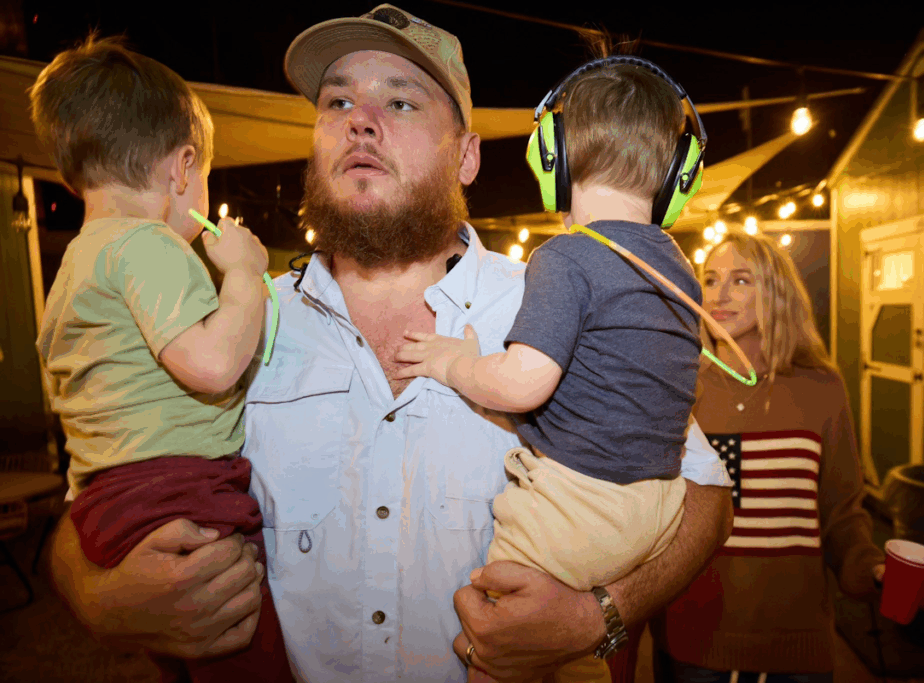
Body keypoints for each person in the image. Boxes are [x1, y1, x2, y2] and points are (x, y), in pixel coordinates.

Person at [44, 6, 735, 682]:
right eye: (337, 101)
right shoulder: (232, 320)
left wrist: (597, 617)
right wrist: (100, 599)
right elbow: (93, 490)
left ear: (466, 156)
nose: (361, 120)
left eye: (400, 102)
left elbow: (705, 493)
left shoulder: (563, 299)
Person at [394, 55, 707, 681]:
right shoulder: (679, 266)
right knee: (564, 650)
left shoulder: (567, 256)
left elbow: (524, 383)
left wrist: (456, 363)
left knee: (499, 633)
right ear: (680, 175)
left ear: (553, 158)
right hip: (660, 507)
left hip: (581, 505)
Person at [30, 35, 291, 681]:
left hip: (108, 502)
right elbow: (213, 366)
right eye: (204, 177)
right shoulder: (147, 245)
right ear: (182, 168)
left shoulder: (76, 266)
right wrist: (244, 274)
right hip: (180, 492)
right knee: (249, 652)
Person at [651, 231, 924, 683]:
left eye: (741, 280)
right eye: (711, 278)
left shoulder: (820, 388)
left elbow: (841, 512)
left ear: (776, 293)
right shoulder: (676, 385)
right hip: (691, 641)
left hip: (796, 645)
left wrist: (871, 567)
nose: (720, 294)